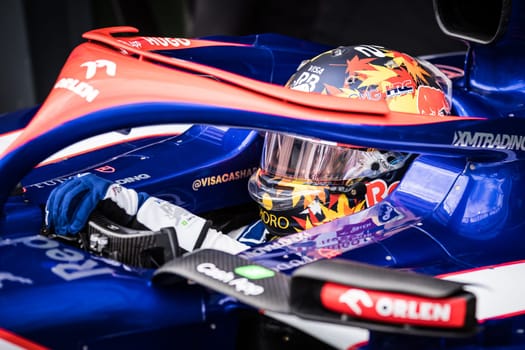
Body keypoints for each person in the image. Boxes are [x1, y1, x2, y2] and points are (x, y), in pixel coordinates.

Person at [45, 45, 452, 257]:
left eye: (321, 157)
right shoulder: (263, 228)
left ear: (386, 165)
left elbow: (252, 272)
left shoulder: (392, 250)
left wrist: (137, 208)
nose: (293, 171)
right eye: (290, 148)